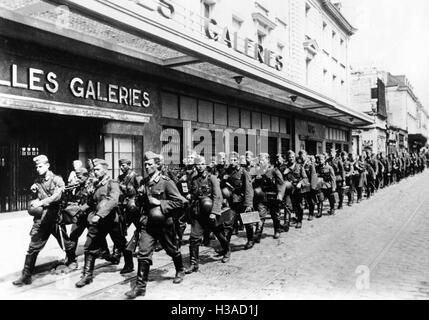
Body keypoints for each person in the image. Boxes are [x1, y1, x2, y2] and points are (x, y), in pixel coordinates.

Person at [125, 151, 185, 299]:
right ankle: (140, 287)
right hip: (148, 223)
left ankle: (180, 269)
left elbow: (181, 202)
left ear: (157, 165)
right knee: (143, 253)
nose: (146, 166)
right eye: (145, 164)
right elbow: (141, 202)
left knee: (172, 250)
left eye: (149, 164)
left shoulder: (166, 182)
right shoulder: (144, 182)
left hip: (164, 223)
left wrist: (161, 203)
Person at [75, 159, 133, 288]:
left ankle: (129, 264)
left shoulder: (113, 183)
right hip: (98, 220)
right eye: (94, 170)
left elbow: (113, 200)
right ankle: (87, 275)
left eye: (97, 169)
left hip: (111, 219)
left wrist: (99, 214)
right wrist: (79, 210)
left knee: (120, 243)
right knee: (90, 245)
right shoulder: (95, 185)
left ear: (105, 170)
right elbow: (91, 202)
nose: (95, 172)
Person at [13, 155, 66, 286]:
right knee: (33, 246)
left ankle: (72, 261)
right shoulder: (37, 181)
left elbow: (57, 196)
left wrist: (42, 202)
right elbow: (36, 196)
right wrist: (33, 191)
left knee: (66, 243)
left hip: (54, 218)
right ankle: (26, 275)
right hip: (41, 219)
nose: (37, 168)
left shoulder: (57, 180)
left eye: (40, 166)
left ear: (47, 166)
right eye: (36, 166)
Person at [185, 156, 230, 273]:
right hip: (198, 212)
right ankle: (194, 264)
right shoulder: (193, 178)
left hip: (210, 212)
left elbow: (218, 196)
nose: (199, 166)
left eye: (202, 164)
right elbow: (193, 192)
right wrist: (190, 196)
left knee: (219, 233)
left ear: (205, 165)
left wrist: (214, 212)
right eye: (197, 164)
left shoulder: (212, 178)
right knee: (194, 238)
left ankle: (227, 250)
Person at [282, 151, 307, 229]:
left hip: (297, 189)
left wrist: (300, 183)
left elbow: (305, 178)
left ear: (295, 158)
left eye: (292, 157)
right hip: (288, 189)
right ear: (287, 158)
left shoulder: (299, 167)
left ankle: (299, 221)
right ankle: (286, 222)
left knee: (299, 205)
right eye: (289, 157)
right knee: (287, 205)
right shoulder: (284, 167)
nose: (291, 158)